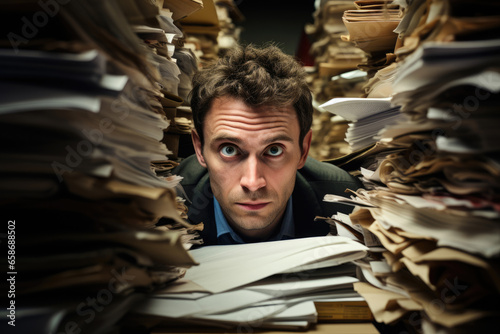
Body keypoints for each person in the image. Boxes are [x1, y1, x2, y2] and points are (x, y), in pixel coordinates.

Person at [171, 44, 362, 246]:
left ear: (303, 150)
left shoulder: (349, 206)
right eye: (229, 150)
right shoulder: (165, 206)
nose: (253, 183)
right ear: (199, 149)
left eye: (274, 150)